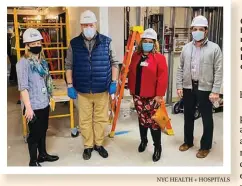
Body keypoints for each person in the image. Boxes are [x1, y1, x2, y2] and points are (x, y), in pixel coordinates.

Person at [65, 10, 120, 160]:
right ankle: (88, 146)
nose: (88, 27)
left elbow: (115, 63)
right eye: (85, 25)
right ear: (81, 26)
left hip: (102, 90)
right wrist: (70, 85)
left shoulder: (106, 41)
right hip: (82, 91)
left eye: (91, 24)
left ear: (95, 25)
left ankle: (99, 144)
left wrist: (113, 82)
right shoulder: (74, 44)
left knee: (101, 119)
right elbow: (68, 65)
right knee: (84, 120)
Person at [176, 15, 223, 158]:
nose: (197, 32)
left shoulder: (214, 48)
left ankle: (205, 146)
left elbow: (219, 70)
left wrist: (216, 91)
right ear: (191, 30)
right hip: (188, 87)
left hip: (205, 88)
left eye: (200, 29)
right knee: (188, 116)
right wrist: (179, 85)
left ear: (206, 31)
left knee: (207, 118)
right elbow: (180, 68)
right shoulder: (186, 48)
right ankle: (188, 141)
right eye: (195, 29)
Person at [16, 28, 59, 166]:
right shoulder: (23, 63)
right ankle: (33, 161)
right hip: (33, 105)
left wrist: (49, 97)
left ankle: (43, 155)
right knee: (34, 134)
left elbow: (45, 81)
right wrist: (28, 108)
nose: (36, 46)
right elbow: (23, 87)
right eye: (32, 44)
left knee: (43, 129)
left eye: (38, 43)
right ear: (27, 45)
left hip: (44, 102)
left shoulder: (42, 61)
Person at [128, 28, 168, 162]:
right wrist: (132, 90)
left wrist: (159, 95)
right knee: (142, 119)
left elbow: (163, 77)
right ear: (141, 43)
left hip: (152, 96)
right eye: (145, 41)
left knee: (153, 122)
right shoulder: (135, 56)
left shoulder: (159, 58)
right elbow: (131, 72)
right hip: (138, 94)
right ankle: (143, 141)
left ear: (154, 43)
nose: (147, 44)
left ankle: (158, 147)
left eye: (150, 42)